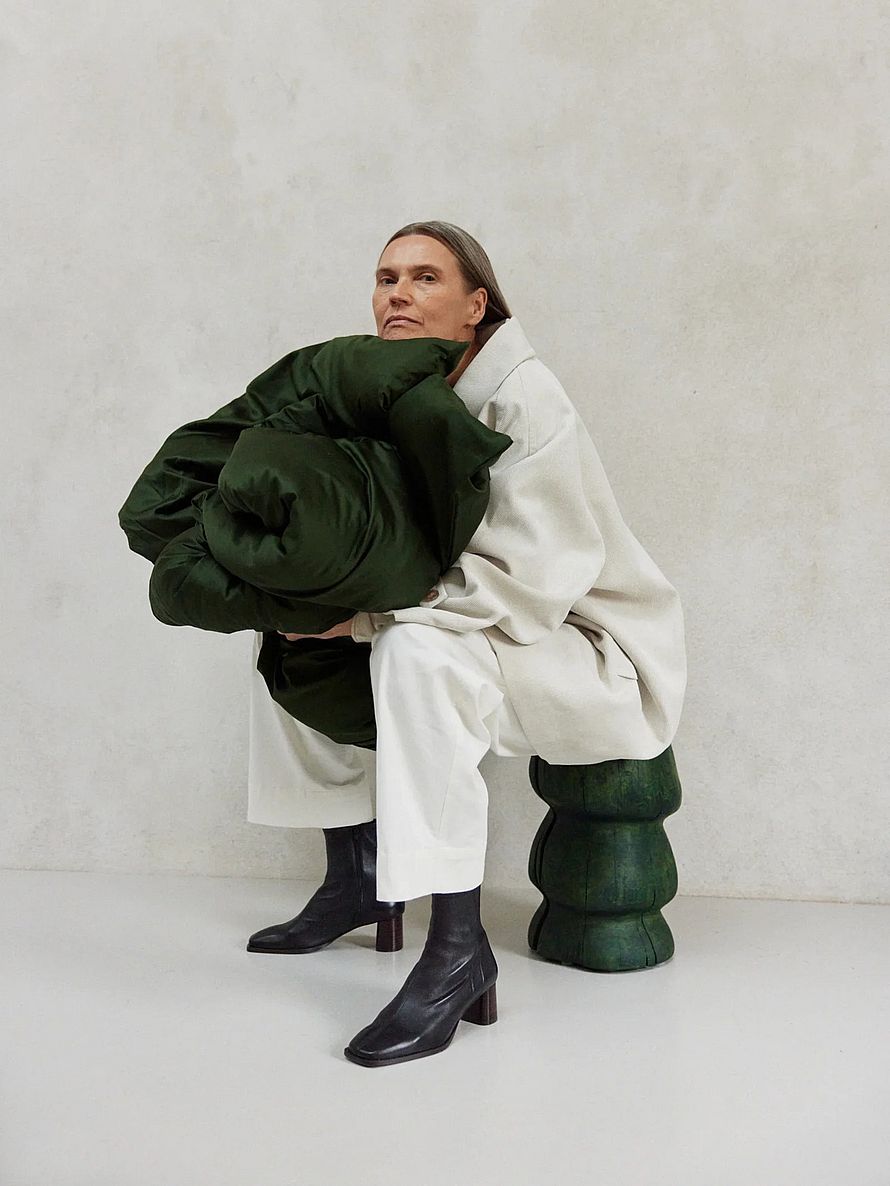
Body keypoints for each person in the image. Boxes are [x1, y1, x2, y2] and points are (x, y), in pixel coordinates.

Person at [244, 220, 688, 1068]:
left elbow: (529, 580)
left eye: (425, 277)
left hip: (587, 649)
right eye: (386, 278)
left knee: (413, 652)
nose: (398, 294)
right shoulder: (392, 388)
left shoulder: (524, 397)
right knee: (285, 629)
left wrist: (367, 621)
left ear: (475, 305)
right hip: (492, 630)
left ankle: (456, 950)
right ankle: (355, 878)